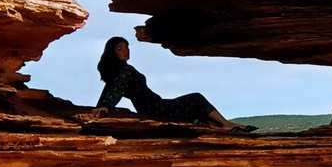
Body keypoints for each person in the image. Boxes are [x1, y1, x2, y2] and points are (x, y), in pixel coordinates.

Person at [92, 37, 249, 130]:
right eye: (120, 49)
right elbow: (115, 89)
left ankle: (220, 125)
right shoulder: (124, 71)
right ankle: (226, 124)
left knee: (195, 107)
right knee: (196, 98)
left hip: (154, 106)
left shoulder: (121, 71)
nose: (126, 51)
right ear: (111, 52)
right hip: (155, 108)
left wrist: (101, 104)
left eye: (127, 48)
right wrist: (105, 105)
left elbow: (111, 87)